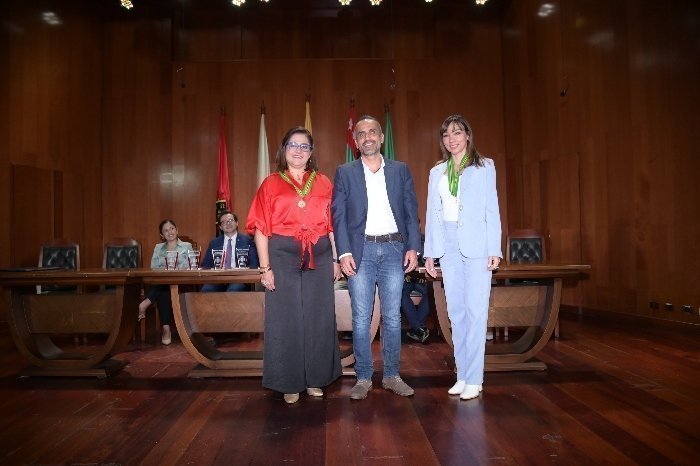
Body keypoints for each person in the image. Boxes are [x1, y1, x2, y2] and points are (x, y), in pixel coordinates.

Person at [246, 126, 342, 404]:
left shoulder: (324, 182)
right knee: (285, 318)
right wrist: (265, 269)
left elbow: (334, 225)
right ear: (283, 149)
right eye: (293, 145)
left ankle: (316, 378)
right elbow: (261, 229)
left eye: (304, 146)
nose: (298, 150)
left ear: (311, 153)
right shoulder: (270, 183)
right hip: (283, 255)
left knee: (319, 317)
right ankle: (289, 381)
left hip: (321, 255)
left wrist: (336, 258)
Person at [331, 115, 421, 400]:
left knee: (393, 318)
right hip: (361, 253)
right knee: (361, 319)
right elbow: (339, 216)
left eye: (372, 132)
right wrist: (343, 252)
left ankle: (392, 375)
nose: (367, 137)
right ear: (355, 141)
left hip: (395, 250)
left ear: (381, 138)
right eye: (361, 134)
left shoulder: (400, 170)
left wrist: (413, 248)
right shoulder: (345, 172)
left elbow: (410, 211)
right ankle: (364, 378)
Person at [424, 114, 502, 400]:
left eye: (457, 133)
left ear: (467, 135)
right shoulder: (437, 172)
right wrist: (430, 253)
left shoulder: (484, 167)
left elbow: (491, 210)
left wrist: (495, 248)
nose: (451, 139)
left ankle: (475, 377)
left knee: (475, 311)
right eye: (446, 135)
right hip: (447, 243)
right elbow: (432, 214)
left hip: (477, 245)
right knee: (456, 313)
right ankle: (462, 374)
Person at [138, 219, 193, 345]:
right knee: (164, 288)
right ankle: (166, 329)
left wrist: (169, 271)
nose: (170, 232)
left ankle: (146, 302)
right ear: (162, 235)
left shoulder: (186, 246)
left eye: (172, 228)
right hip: (162, 282)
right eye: (166, 230)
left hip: (181, 282)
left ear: (177, 230)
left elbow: (188, 266)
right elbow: (154, 267)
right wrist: (166, 272)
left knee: (165, 284)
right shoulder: (158, 248)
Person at [201, 210, 259, 291]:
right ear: (220, 227)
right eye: (224, 222)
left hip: (239, 279)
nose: (228, 223)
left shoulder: (247, 240)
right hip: (218, 279)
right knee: (206, 289)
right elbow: (206, 264)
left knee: (234, 289)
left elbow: (254, 263)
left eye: (231, 220)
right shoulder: (214, 242)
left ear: (237, 223)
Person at [401, 235, 430, 344]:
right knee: (402, 294)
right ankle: (419, 328)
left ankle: (417, 328)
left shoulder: (426, 241)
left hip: (422, 279)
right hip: (406, 279)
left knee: (431, 293)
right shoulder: (400, 239)